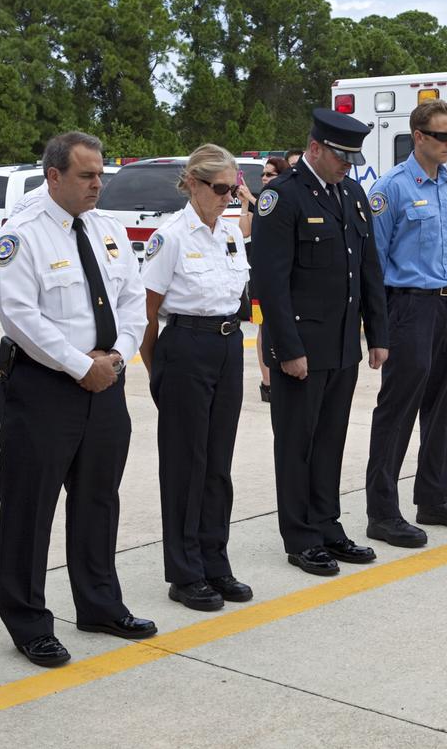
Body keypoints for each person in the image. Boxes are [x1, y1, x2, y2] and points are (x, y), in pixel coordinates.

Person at [0, 131, 155, 668]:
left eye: (101, 173)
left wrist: (116, 356)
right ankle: (28, 621)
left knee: (98, 500)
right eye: (87, 175)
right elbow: (19, 314)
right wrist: (79, 364)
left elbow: (133, 301)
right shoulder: (23, 235)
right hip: (45, 388)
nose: (98, 184)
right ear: (54, 176)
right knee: (29, 509)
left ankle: (100, 604)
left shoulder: (107, 228)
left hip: (106, 381)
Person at [251, 109, 389, 576]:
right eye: (341, 156)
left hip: (343, 345)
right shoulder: (281, 197)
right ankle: (300, 535)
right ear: (315, 149)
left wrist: (378, 334)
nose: (348, 166)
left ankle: (326, 523)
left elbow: (367, 268)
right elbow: (270, 282)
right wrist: (288, 350)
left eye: (352, 158)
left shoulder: (350, 192)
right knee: (296, 443)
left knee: (330, 440)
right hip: (301, 349)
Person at [140, 144, 253, 612]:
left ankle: (214, 559)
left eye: (234, 188)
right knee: (186, 465)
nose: (228, 196)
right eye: (220, 188)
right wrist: (157, 371)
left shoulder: (229, 234)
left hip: (228, 345)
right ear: (193, 184)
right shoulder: (171, 237)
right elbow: (147, 311)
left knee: (218, 464)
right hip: (185, 346)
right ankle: (185, 573)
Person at [364, 99, 447, 548]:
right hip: (409, 307)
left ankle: (433, 495)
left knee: (445, 407)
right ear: (418, 137)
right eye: (442, 136)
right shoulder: (391, 188)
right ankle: (383, 511)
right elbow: (373, 262)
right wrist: (377, 327)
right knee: (398, 409)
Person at [246, 155, 289, 403]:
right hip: (260, 279)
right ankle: (267, 382)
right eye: (263, 174)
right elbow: (246, 231)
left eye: (270, 174)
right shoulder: (262, 200)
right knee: (263, 328)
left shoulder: (283, 201)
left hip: (281, 280)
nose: (264, 178)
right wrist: (246, 205)